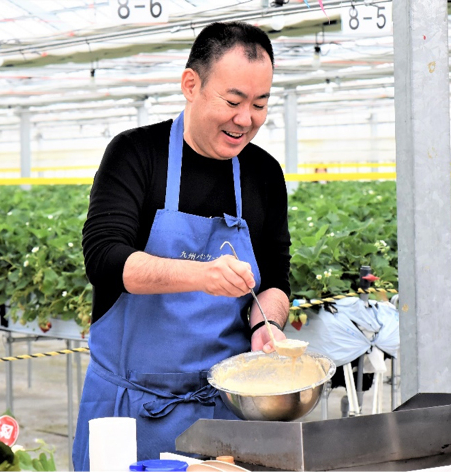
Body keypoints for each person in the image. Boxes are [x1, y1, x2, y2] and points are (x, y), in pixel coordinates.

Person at [73, 22, 291, 468]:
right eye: (233, 101)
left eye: (260, 103)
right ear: (191, 84)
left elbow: (275, 278)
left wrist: (264, 325)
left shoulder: (264, 174)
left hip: (225, 416)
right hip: (130, 411)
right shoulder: (136, 154)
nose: (245, 119)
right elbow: (105, 259)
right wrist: (202, 275)